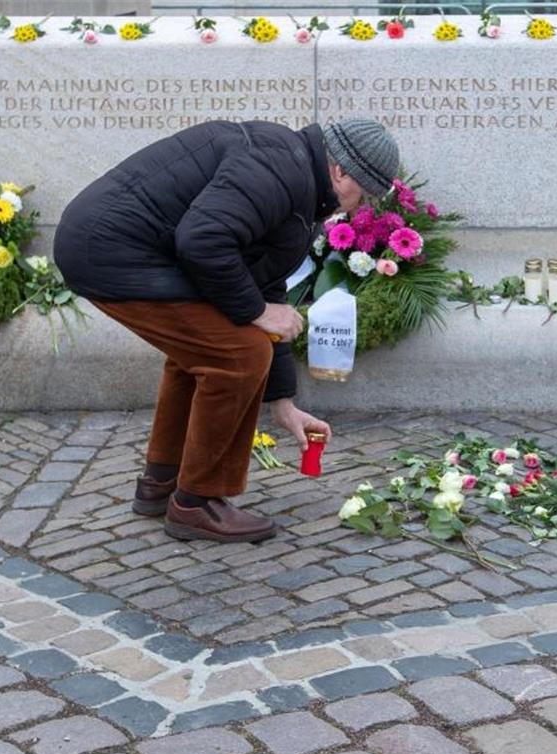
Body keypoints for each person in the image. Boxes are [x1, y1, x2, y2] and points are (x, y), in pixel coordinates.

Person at [53, 118, 400, 543]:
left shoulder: (296, 179)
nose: (358, 208)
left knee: (206, 347)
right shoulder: (279, 171)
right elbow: (203, 241)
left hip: (111, 243)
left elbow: (263, 281)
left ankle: (162, 481)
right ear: (341, 171)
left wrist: (284, 404)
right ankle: (197, 503)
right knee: (238, 354)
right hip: (109, 249)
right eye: (362, 195)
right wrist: (256, 311)